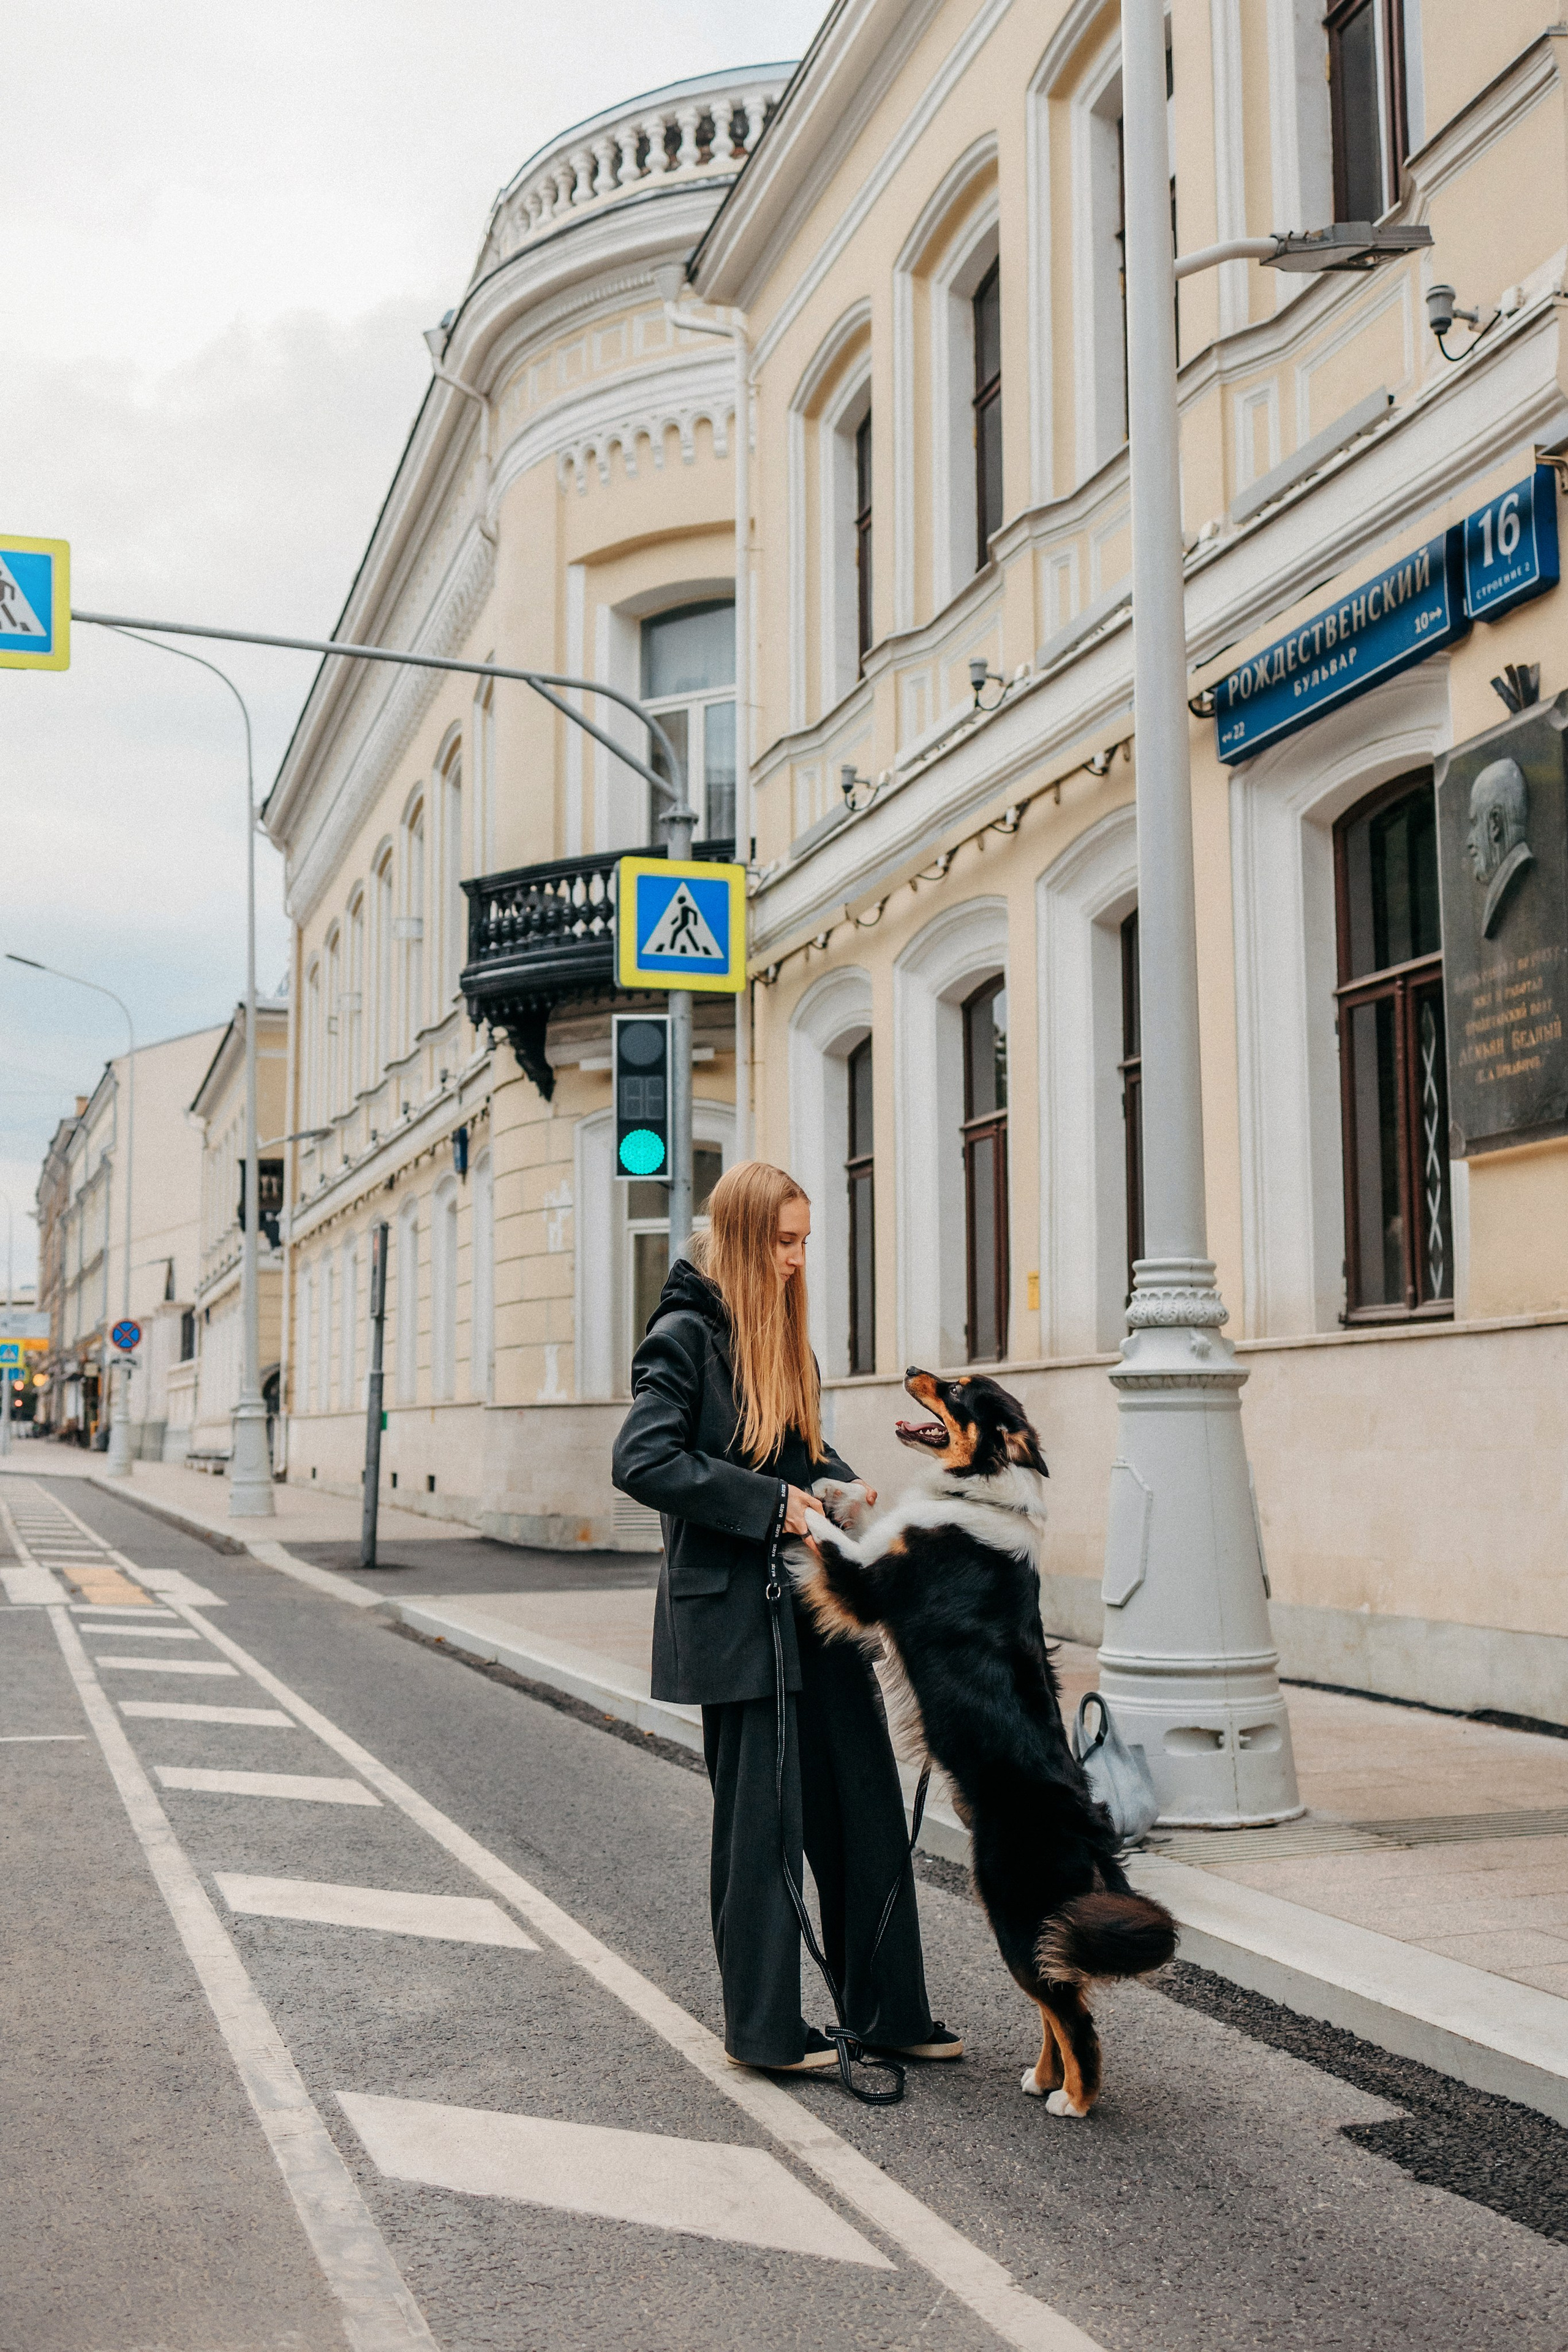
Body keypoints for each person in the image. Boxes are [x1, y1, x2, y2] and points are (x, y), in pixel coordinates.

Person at [612, 1159, 960, 2075]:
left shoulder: (784, 1344)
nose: (798, 1259)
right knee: (761, 1830)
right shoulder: (683, 1337)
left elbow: (794, 1450)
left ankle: (888, 2012)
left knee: (865, 1803)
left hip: (813, 1608)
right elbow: (643, 1460)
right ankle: (764, 2031)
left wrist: (835, 1484)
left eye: (805, 1241)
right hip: (735, 1620)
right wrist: (773, 1504)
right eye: (783, 1241)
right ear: (738, 1239)